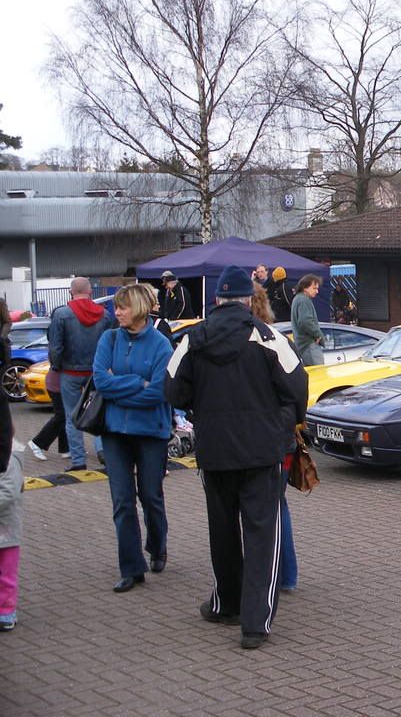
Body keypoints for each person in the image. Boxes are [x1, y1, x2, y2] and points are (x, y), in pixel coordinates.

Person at [165, 265, 307, 649]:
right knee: (263, 534)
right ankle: (255, 622)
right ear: (248, 299)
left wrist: (203, 408)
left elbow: (173, 390)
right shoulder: (268, 337)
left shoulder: (192, 340)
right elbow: (297, 388)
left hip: (215, 451)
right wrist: (281, 423)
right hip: (262, 451)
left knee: (222, 531)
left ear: (216, 300)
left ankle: (226, 603)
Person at [93, 285, 174, 593]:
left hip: (151, 432)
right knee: (122, 501)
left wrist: (121, 388)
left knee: (150, 496)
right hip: (114, 432)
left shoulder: (161, 345)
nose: (117, 312)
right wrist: (136, 384)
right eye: (116, 307)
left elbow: (158, 392)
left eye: (123, 307)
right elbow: (101, 381)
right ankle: (131, 568)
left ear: (139, 308)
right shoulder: (109, 338)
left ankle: (158, 545)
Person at [250, 282, 298, 592]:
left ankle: (277, 575)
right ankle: (286, 575)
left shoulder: (268, 342)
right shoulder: (281, 341)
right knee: (277, 505)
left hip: (269, 440)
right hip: (281, 439)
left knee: (268, 508)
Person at [49, 277, 116, 472]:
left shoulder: (61, 314)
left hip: (69, 371)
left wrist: (56, 365)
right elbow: (110, 343)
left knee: (72, 415)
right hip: (96, 371)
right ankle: (103, 451)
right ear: (90, 292)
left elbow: (55, 347)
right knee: (98, 410)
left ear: (71, 292)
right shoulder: (104, 315)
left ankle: (78, 460)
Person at [0, 430, 23, 632]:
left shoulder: (10, 458)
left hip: (6, 531)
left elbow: (9, 491)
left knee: (6, 574)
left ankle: (6, 611)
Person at [26, 366, 70, 461]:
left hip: (61, 383)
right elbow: (57, 362)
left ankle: (66, 449)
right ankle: (37, 443)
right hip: (57, 384)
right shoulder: (61, 352)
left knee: (65, 416)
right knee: (61, 416)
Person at [290, 274, 325, 366]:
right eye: (314, 288)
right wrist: (318, 335)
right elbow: (306, 322)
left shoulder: (298, 299)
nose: (317, 291)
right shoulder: (303, 300)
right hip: (309, 344)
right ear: (305, 287)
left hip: (303, 345)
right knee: (319, 374)